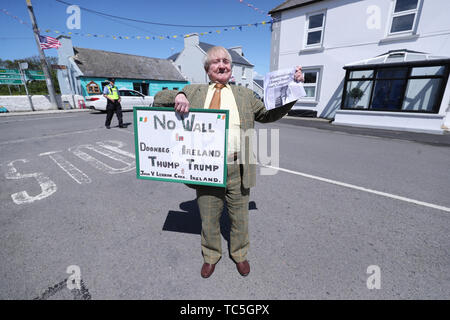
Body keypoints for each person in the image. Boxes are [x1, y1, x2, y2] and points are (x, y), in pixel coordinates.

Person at [153, 46, 304, 278]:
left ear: (231, 68)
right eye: (216, 62)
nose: (222, 65)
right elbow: (157, 99)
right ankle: (211, 255)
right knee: (209, 217)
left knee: (240, 217)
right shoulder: (193, 91)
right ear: (208, 69)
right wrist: (178, 96)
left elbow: (268, 115)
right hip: (205, 168)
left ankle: (240, 254)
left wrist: (293, 89)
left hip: (238, 166)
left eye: (226, 61)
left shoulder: (244, 95)